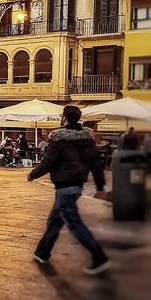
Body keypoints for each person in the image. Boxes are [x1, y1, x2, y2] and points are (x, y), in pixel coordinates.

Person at [28, 104, 111, 275]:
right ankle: (42, 252)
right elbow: (95, 163)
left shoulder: (58, 139)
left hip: (64, 186)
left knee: (74, 223)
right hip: (76, 186)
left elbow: (47, 162)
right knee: (56, 219)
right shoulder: (86, 138)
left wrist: (33, 174)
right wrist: (101, 186)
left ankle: (99, 257)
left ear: (64, 118)